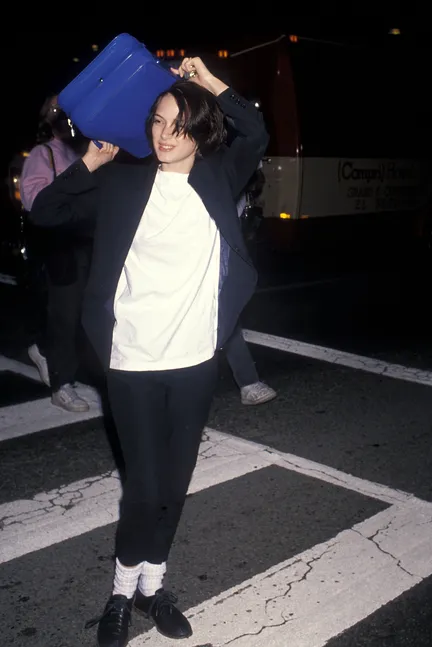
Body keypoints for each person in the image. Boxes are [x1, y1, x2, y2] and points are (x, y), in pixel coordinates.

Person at [29, 56, 268, 646]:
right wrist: (90, 158)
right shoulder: (123, 181)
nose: (167, 135)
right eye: (160, 121)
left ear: (201, 133)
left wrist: (211, 82)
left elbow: (257, 131)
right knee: (144, 486)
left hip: (193, 359)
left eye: (180, 126)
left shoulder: (219, 175)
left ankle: (152, 587)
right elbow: (46, 211)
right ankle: (118, 594)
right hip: (133, 359)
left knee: (175, 482)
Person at [20, 94, 91, 412]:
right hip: (61, 245)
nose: (67, 120)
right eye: (59, 114)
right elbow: (34, 200)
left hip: (88, 240)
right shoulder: (43, 153)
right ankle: (62, 383)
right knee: (65, 315)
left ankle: (51, 354)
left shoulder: (84, 149)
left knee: (90, 313)